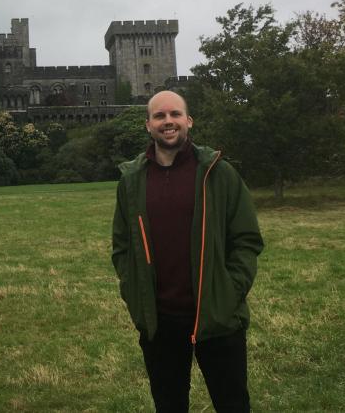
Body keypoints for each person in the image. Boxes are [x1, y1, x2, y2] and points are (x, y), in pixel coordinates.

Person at [112, 90, 263, 412]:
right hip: (159, 321)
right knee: (169, 405)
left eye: (175, 114)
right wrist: (134, 295)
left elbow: (247, 239)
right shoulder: (131, 180)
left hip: (217, 315)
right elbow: (122, 245)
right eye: (159, 116)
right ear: (148, 125)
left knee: (233, 404)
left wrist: (229, 291)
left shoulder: (219, 173)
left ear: (188, 121)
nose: (168, 122)